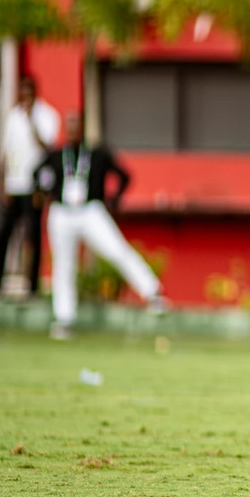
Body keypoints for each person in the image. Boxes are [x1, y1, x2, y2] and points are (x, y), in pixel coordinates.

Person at [33, 112, 165, 340]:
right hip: (62, 212)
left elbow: (124, 175)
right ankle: (64, 318)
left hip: (91, 210)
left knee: (117, 250)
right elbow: (37, 174)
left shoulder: (97, 153)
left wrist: (114, 200)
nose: (73, 132)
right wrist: (46, 194)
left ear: (83, 129)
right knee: (64, 265)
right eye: (70, 127)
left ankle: (152, 293)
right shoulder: (56, 155)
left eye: (77, 127)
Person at [0, 76, 60, 298]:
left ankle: (32, 288)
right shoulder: (13, 116)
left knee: (33, 236)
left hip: (34, 186)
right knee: (2, 234)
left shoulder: (47, 115)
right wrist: (3, 184)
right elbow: (7, 153)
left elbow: (47, 147)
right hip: (14, 185)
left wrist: (31, 121)